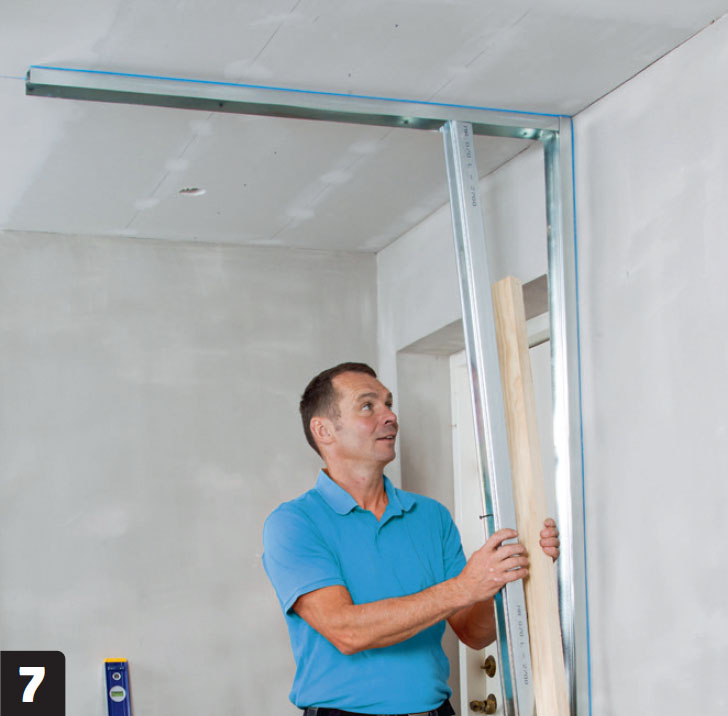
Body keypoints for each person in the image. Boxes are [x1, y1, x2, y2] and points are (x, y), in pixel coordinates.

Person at [263, 362, 559, 716]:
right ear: (323, 430)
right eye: (368, 406)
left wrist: (511, 573)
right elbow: (346, 632)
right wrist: (465, 586)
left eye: (388, 404)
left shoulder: (431, 516)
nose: (390, 416)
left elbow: (474, 633)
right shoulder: (294, 523)